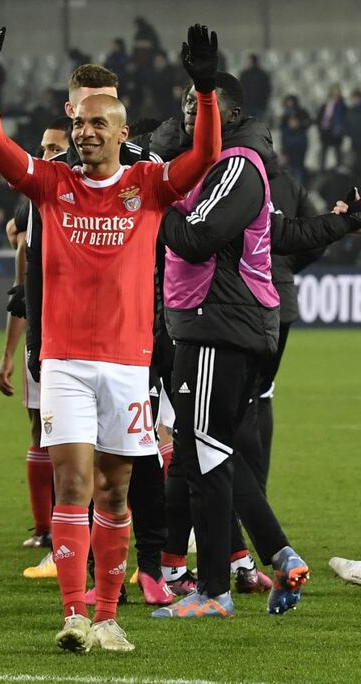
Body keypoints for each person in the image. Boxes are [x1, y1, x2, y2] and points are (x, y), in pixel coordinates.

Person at [0, 9, 222, 652]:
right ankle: (76, 612)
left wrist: (207, 92)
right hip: (67, 363)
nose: (83, 133)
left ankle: (109, 614)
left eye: (95, 124)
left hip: (129, 363)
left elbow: (208, 153)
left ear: (121, 131)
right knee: (75, 484)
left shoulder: (149, 184)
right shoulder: (52, 185)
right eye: (78, 123)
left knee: (115, 489)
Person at [149, 75, 361, 620]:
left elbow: (195, 237)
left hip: (218, 324)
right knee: (215, 450)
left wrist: (153, 198)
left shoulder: (235, 166)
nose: (188, 121)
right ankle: (279, 554)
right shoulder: (230, 167)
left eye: (197, 112)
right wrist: (341, 224)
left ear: (228, 114)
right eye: (185, 112)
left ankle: (214, 590)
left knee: (202, 456)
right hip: (225, 323)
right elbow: (281, 233)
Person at [0, 117, 69, 559]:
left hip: (90, 337)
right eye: (43, 148)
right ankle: (48, 531)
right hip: (46, 336)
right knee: (43, 429)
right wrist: (8, 353)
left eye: (56, 150)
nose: (47, 157)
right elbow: (22, 292)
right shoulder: (33, 203)